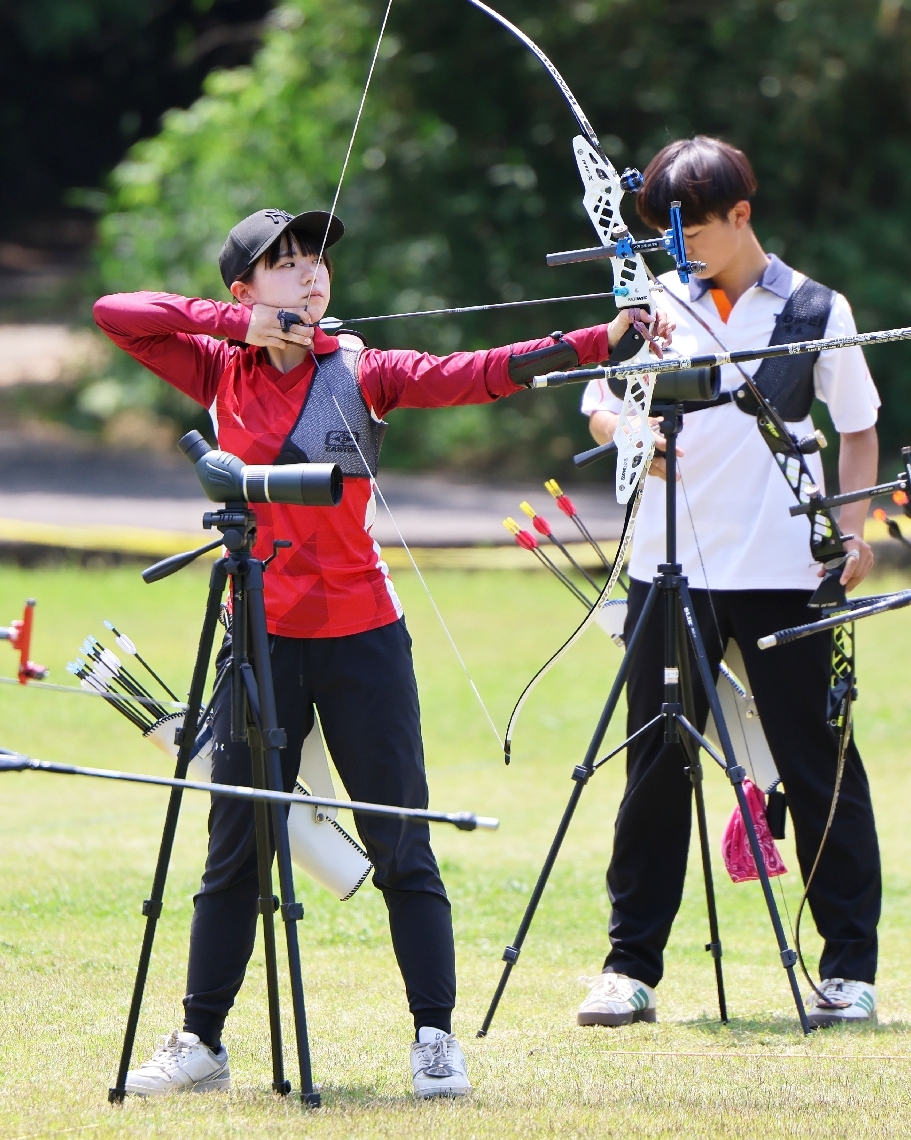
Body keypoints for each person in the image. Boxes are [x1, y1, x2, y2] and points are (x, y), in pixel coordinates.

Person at [93, 207, 671, 1097]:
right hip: (260, 634)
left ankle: (434, 1036)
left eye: (315, 260)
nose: (310, 276)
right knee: (236, 846)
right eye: (283, 266)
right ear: (244, 289)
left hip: (362, 634)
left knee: (400, 840)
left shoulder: (363, 368)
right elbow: (115, 311)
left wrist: (601, 338)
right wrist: (234, 325)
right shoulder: (214, 364)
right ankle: (201, 1041)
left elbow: (478, 373)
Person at [578, 137, 882, 1030]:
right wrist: (640, 439)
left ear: (740, 215)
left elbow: (856, 428)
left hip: (789, 572)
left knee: (816, 764)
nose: (683, 253)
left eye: (696, 232)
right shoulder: (657, 304)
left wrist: (851, 529)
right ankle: (628, 968)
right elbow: (598, 401)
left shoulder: (817, 309)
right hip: (666, 572)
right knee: (653, 766)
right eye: (668, 237)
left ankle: (849, 970)